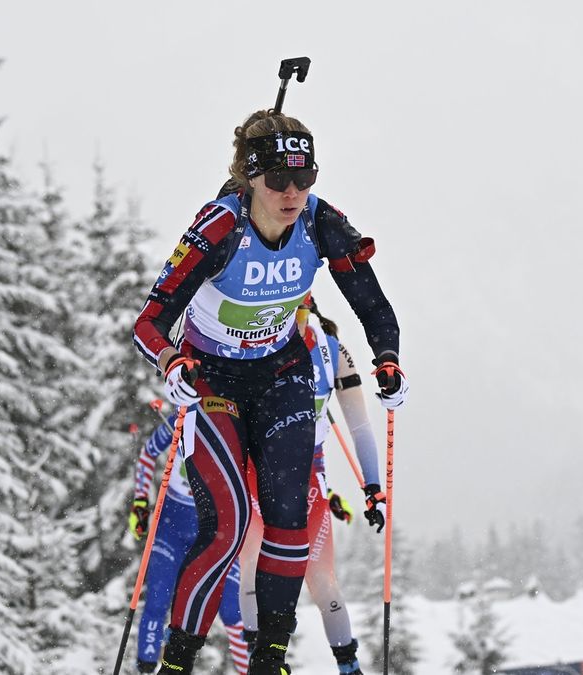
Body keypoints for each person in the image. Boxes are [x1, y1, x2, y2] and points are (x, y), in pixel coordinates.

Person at [132, 110, 407, 675]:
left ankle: (270, 658)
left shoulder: (319, 222)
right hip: (212, 379)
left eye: (304, 180)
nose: (293, 193)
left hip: (282, 373)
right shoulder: (219, 227)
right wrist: (171, 360)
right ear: (251, 177)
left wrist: (387, 361)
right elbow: (150, 320)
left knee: (289, 523)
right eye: (279, 180)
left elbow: (373, 305)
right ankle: (178, 662)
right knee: (228, 526)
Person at [239, 297, 385, 675]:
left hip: (283, 476)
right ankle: (274, 662)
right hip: (281, 473)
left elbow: (361, 426)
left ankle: (342, 665)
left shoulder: (329, 346)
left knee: (290, 575)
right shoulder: (316, 343)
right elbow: (361, 428)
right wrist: (373, 488)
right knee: (283, 573)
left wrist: (374, 486)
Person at [128, 412, 249, 674]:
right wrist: (140, 502)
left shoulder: (235, 420)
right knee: (157, 603)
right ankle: (146, 669)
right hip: (171, 526)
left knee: (232, 611)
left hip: (215, 529)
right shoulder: (178, 419)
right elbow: (148, 454)